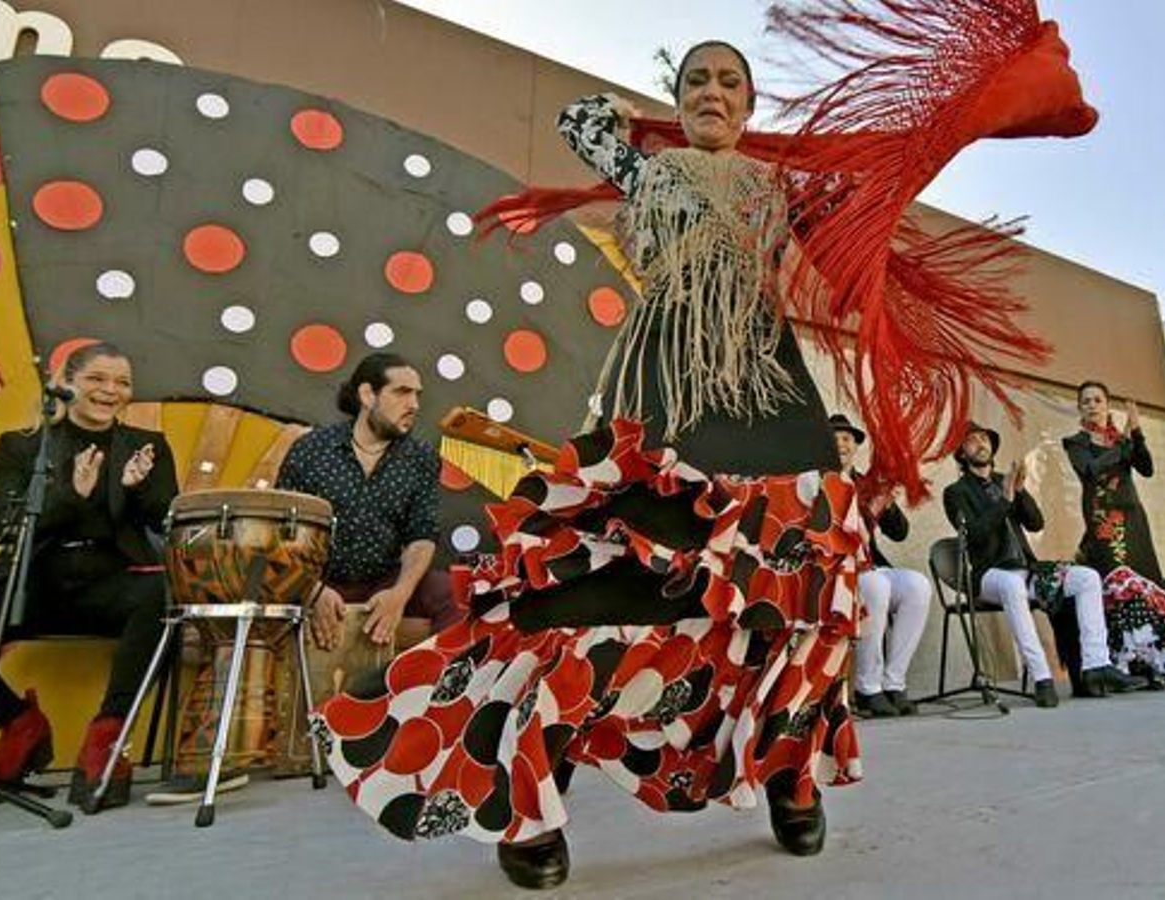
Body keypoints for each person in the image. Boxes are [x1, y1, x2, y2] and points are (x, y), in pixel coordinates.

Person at [319, 43, 865, 889]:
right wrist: (619, 115)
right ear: (676, 101)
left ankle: (791, 776)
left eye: (730, 83)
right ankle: (533, 802)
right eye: (695, 81)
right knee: (588, 577)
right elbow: (578, 122)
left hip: (768, 394)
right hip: (662, 390)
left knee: (797, 582)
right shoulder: (646, 172)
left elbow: (862, 230)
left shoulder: (778, 186)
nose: (712, 93)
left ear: (753, 107)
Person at [0, 342, 175, 810]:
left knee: (164, 597)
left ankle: (108, 735)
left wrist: (136, 492)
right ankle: (18, 722)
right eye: (97, 379)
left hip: (111, 580)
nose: (110, 390)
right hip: (33, 580)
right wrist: (69, 496)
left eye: (122, 382)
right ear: (68, 383)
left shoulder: (148, 447)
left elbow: (168, 522)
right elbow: (2, 524)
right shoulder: (21, 446)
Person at [942, 422, 1140, 708]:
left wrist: (1020, 493)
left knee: (1085, 577)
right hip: (988, 576)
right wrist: (1005, 500)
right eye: (971, 440)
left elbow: (1036, 523)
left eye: (984, 438)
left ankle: (1097, 665)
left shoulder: (1005, 481)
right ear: (961, 452)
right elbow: (975, 535)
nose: (980, 443)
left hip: (1027, 571)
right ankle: (1041, 677)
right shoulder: (956, 492)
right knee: (1011, 584)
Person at [276, 353, 460, 649]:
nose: (414, 404)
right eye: (402, 392)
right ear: (367, 395)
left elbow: (422, 536)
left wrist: (400, 594)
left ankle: (435, 690)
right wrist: (310, 589)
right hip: (318, 579)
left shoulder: (421, 458)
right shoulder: (311, 449)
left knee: (455, 592)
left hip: (383, 581)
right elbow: (282, 533)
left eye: (417, 395)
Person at [831, 414, 929, 718]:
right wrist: (868, 513)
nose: (841, 444)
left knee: (917, 586)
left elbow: (900, 533)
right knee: (875, 584)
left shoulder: (867, 483)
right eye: (834, 438)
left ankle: (893, 681)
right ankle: (867, 686)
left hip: (870, 566)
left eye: (847, 438)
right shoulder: (818, 480)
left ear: (856, 447)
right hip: (836, 570)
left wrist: (887, 503)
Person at [1063, 381, 1162, 582]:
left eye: (1098, 400)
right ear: (1079, 409)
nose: (1092, 405)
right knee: (1116, 576)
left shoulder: (1119, 440)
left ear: (1107, 406)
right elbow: (1090, 470)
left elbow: (1146, 469)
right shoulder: (1076, 442)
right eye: (1086, 402)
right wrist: (1123, 443)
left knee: (1143, 573)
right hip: (1103, 517)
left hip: (1132, 515)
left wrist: (1136, 432)